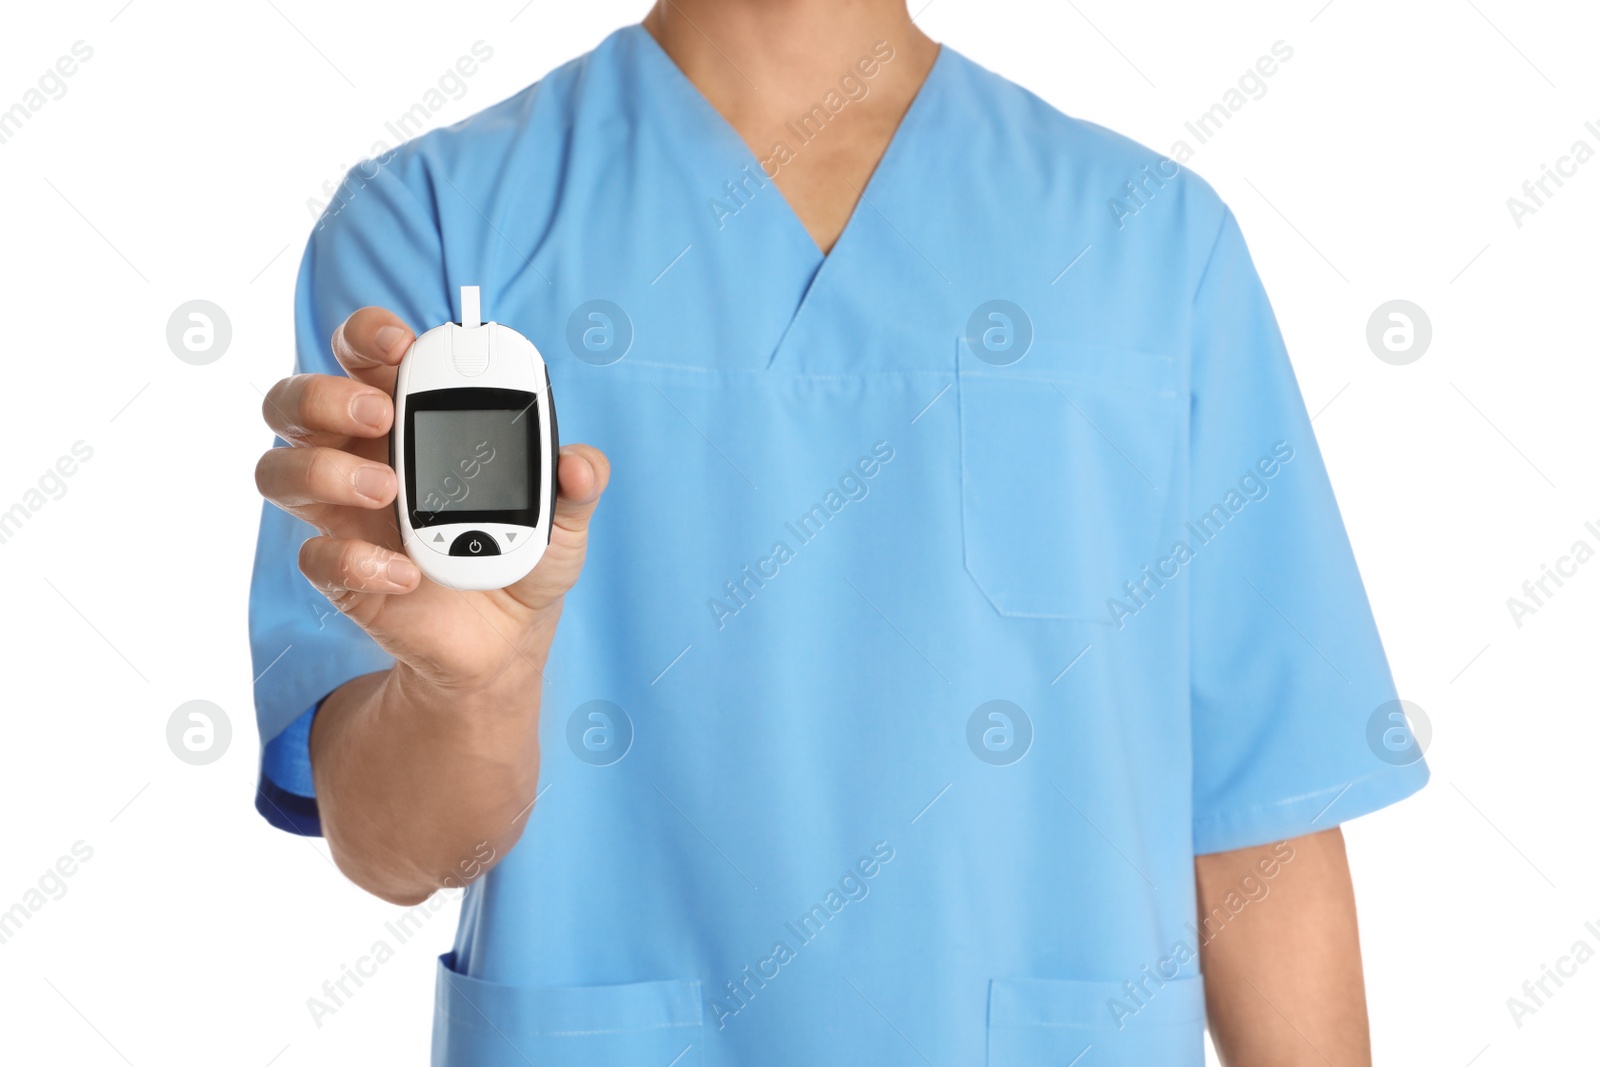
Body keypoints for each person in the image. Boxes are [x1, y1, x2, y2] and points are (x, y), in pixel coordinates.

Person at [248, 2, 1428, 1063]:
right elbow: (399, 849)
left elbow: (1255, 820)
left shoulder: (1152, 239)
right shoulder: (433, 230)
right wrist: (470, 694)